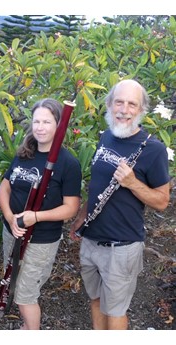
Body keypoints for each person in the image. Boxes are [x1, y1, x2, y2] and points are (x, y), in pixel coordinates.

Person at [69, 79, 171, 330]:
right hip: (92, 241)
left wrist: (132, 183)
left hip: (121, 247)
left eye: (132, 104)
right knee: (95, 301)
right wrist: (81, 217)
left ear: (141, 110)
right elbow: (98, 184)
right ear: (109, 105)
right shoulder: (106, 137)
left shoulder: (153, 149)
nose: (124, 110)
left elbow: (162, 201)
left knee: (114, 311)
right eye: (119, 102)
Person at [0, 98, 82, 330]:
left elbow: (71, 208)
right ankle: (26, 327)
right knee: (15, 281)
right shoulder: (25, 153)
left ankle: (32, 331)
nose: (40, 127)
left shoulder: (68, 163)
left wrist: (35, 217)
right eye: (36, 121)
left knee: (25, 295)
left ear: (59, 125)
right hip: (12, 231)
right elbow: (5, 186)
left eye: (47, 121)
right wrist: (9, 216)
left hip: (41, 240)